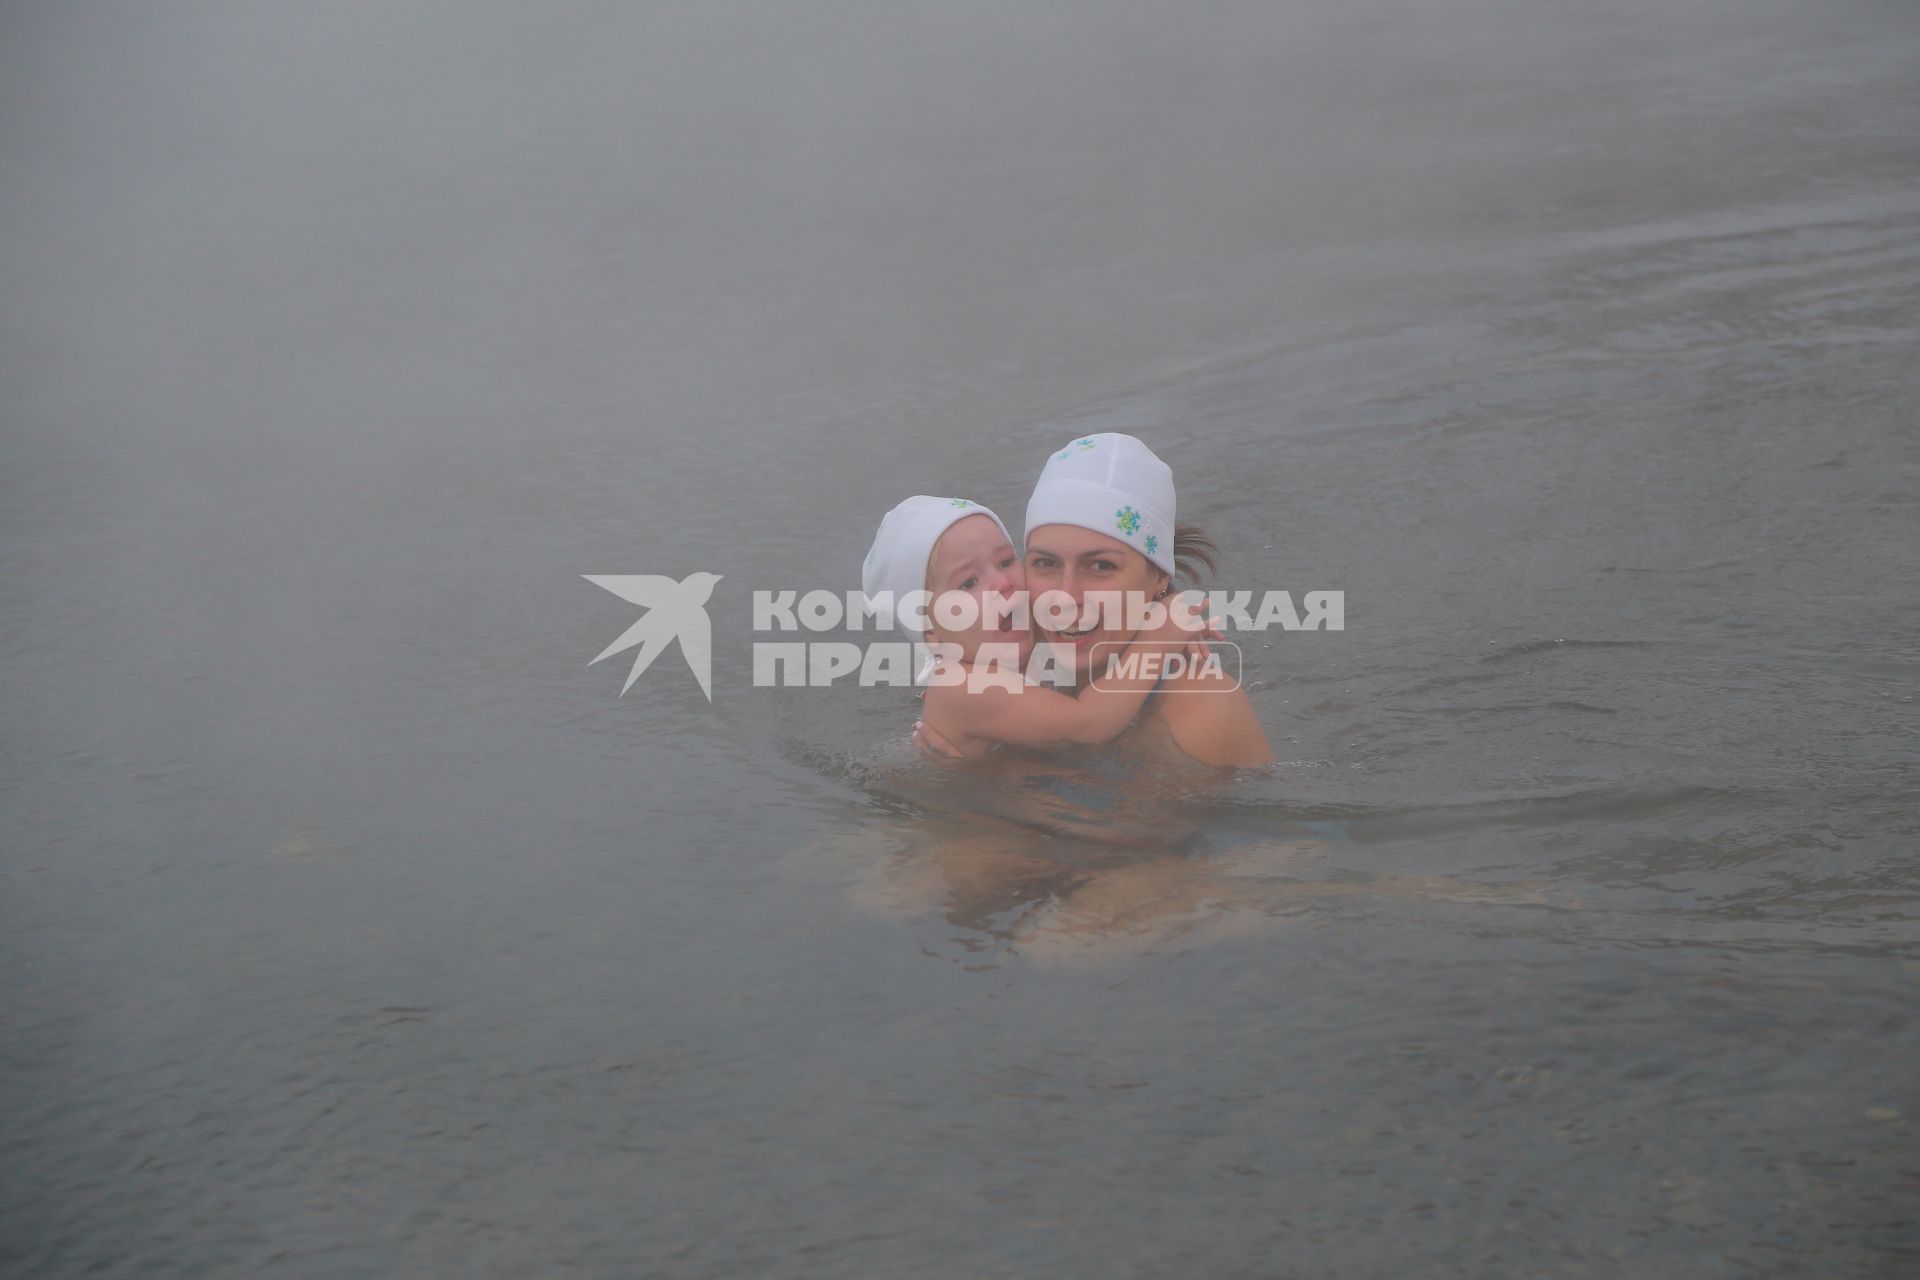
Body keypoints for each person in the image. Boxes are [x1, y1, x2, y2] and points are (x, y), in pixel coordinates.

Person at [919, 434, 1273, 769]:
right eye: (1046, 563)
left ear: (1159, 577)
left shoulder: (1203, 706)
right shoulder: (1016, 658)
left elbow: (1132, 834)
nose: (1065, 598)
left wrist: (981, 779)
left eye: (1101, 566)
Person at [860, 495, 1198, 758]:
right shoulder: (960, 686)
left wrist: (1161, 602)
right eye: (969, 583)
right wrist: (1158, 640)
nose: (1002, 583)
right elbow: (1089, 724)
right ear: (931, 632)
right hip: (971, 836)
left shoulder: (1018, 630)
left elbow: (1111, 611)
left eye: (1006, 561)